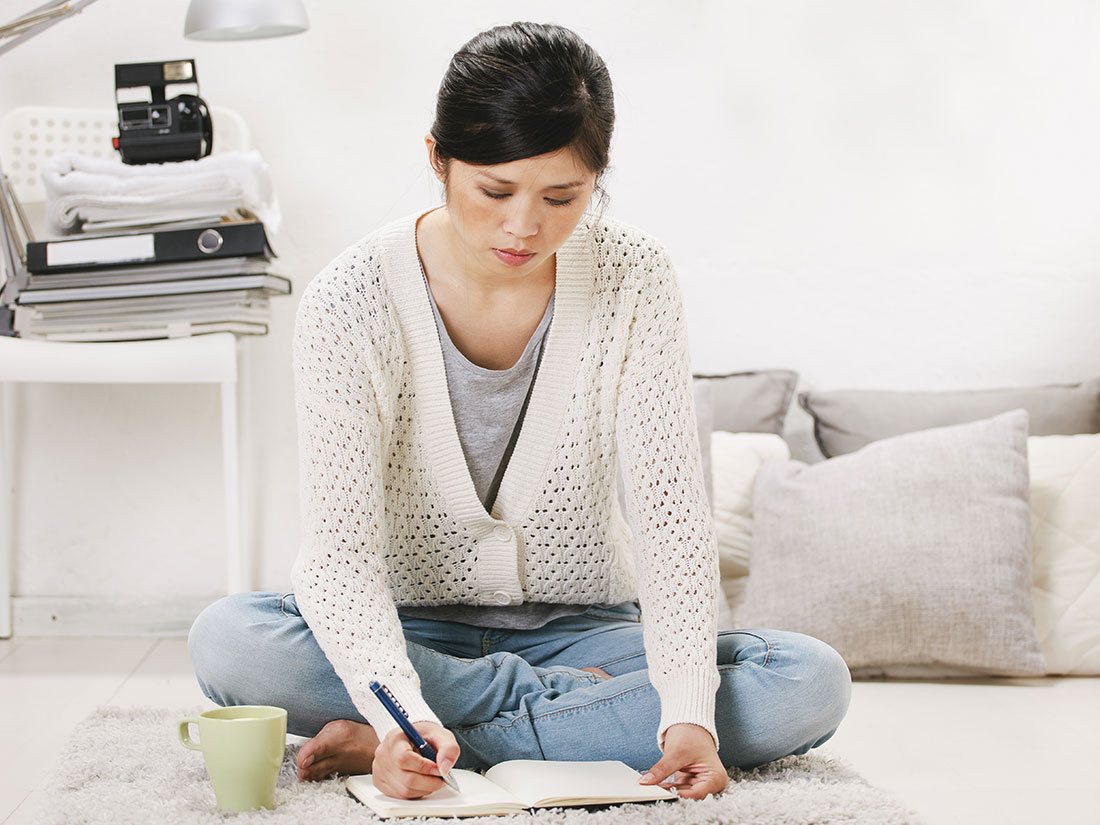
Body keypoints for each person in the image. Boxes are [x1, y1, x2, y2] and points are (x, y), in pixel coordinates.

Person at [188, 21, 851, 802]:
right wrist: (397, 694)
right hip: (408, 630)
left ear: (597, 177)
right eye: (496, 191)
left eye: (562, 197)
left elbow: (671, 521)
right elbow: (338, 559)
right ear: (438, 159)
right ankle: (556, 719)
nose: (524, 226)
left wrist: (687, 713)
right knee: (232, 643)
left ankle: (429, 741)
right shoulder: (349, 299)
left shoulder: (635, 279)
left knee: (806, 681)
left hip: (588, 631)